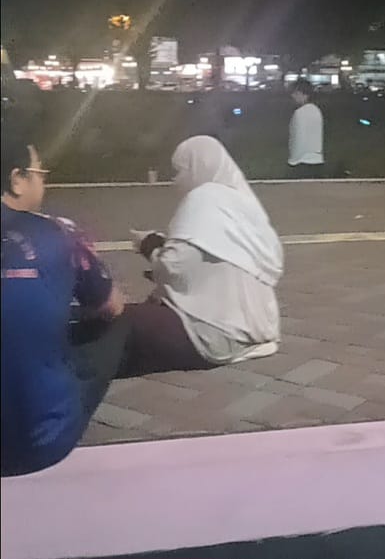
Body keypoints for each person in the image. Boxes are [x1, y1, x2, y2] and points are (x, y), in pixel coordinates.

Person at [1, 126, 126, 477]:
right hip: (38, 443)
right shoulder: (59, 232)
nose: (44, 181)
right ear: (17, 179)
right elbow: (111, 306)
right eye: (40, 173)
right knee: (120, 324)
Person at [123, 136, 283, 377]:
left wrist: (148, 245)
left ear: (197, 167)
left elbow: (173, 267)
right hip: (260, 329)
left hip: (214, 332)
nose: (175, 180)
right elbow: (212, 258)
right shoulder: (243, 204)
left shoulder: (203, 199)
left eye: (179, 171)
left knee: (118, 327)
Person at [288, 78, 324, 179]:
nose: (293, 96)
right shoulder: (317, 111)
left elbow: (297, 139)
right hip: (317, 159)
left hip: (301, 162)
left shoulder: (299, 113)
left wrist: (292, 161)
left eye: (296, 93)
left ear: (304, 95)